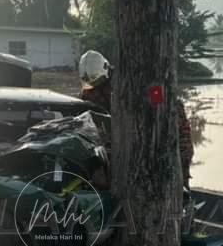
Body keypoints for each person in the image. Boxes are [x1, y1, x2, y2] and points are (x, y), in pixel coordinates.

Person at [77, 49, 195, 186]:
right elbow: (84, 115)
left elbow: (161, 108)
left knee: (177, 175)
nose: (95, 88)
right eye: (92, 85)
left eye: (99, 83)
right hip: (127, 145)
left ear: (107, 72)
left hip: (169, 137)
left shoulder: (134, 85)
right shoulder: (90, 90)